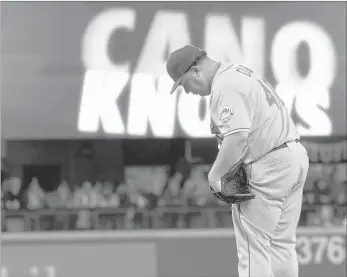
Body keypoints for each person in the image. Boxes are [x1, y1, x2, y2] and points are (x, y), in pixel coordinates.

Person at [166, 45, 309, 277]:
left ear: (196, 72)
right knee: (281, 245)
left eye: (184, 84)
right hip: (292, 156)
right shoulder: (236, 72)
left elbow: (238, 136)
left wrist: (215, 176)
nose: (188, 91)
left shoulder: (225, 86)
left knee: (253, 250)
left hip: (269, 164)